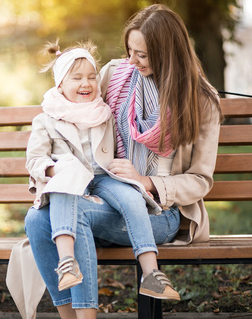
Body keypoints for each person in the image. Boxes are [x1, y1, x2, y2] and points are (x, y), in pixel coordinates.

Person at [14, 3, 222, 319]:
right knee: (34, 220)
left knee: (60, 216)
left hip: (159, 212)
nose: (132, 61)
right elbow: (76, 112)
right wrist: (62, 166)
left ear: (168, 53)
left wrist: (146, 181)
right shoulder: (116, 74)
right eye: (130, 51)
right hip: (105, 197)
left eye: (143, 55)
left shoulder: (200, 100)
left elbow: (201, 180)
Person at [25, 40, 163, 294]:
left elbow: (120, 144)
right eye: (76, 78)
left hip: (102, 176)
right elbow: (34, 160)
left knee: (133, 199)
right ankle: (67, 264)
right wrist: (55, 171)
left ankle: (152, 274)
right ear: (60, 84)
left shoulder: (103, 113)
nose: (86, 83)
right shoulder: (46, 119)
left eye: (91, 77)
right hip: (68, 180)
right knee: (65, 190)